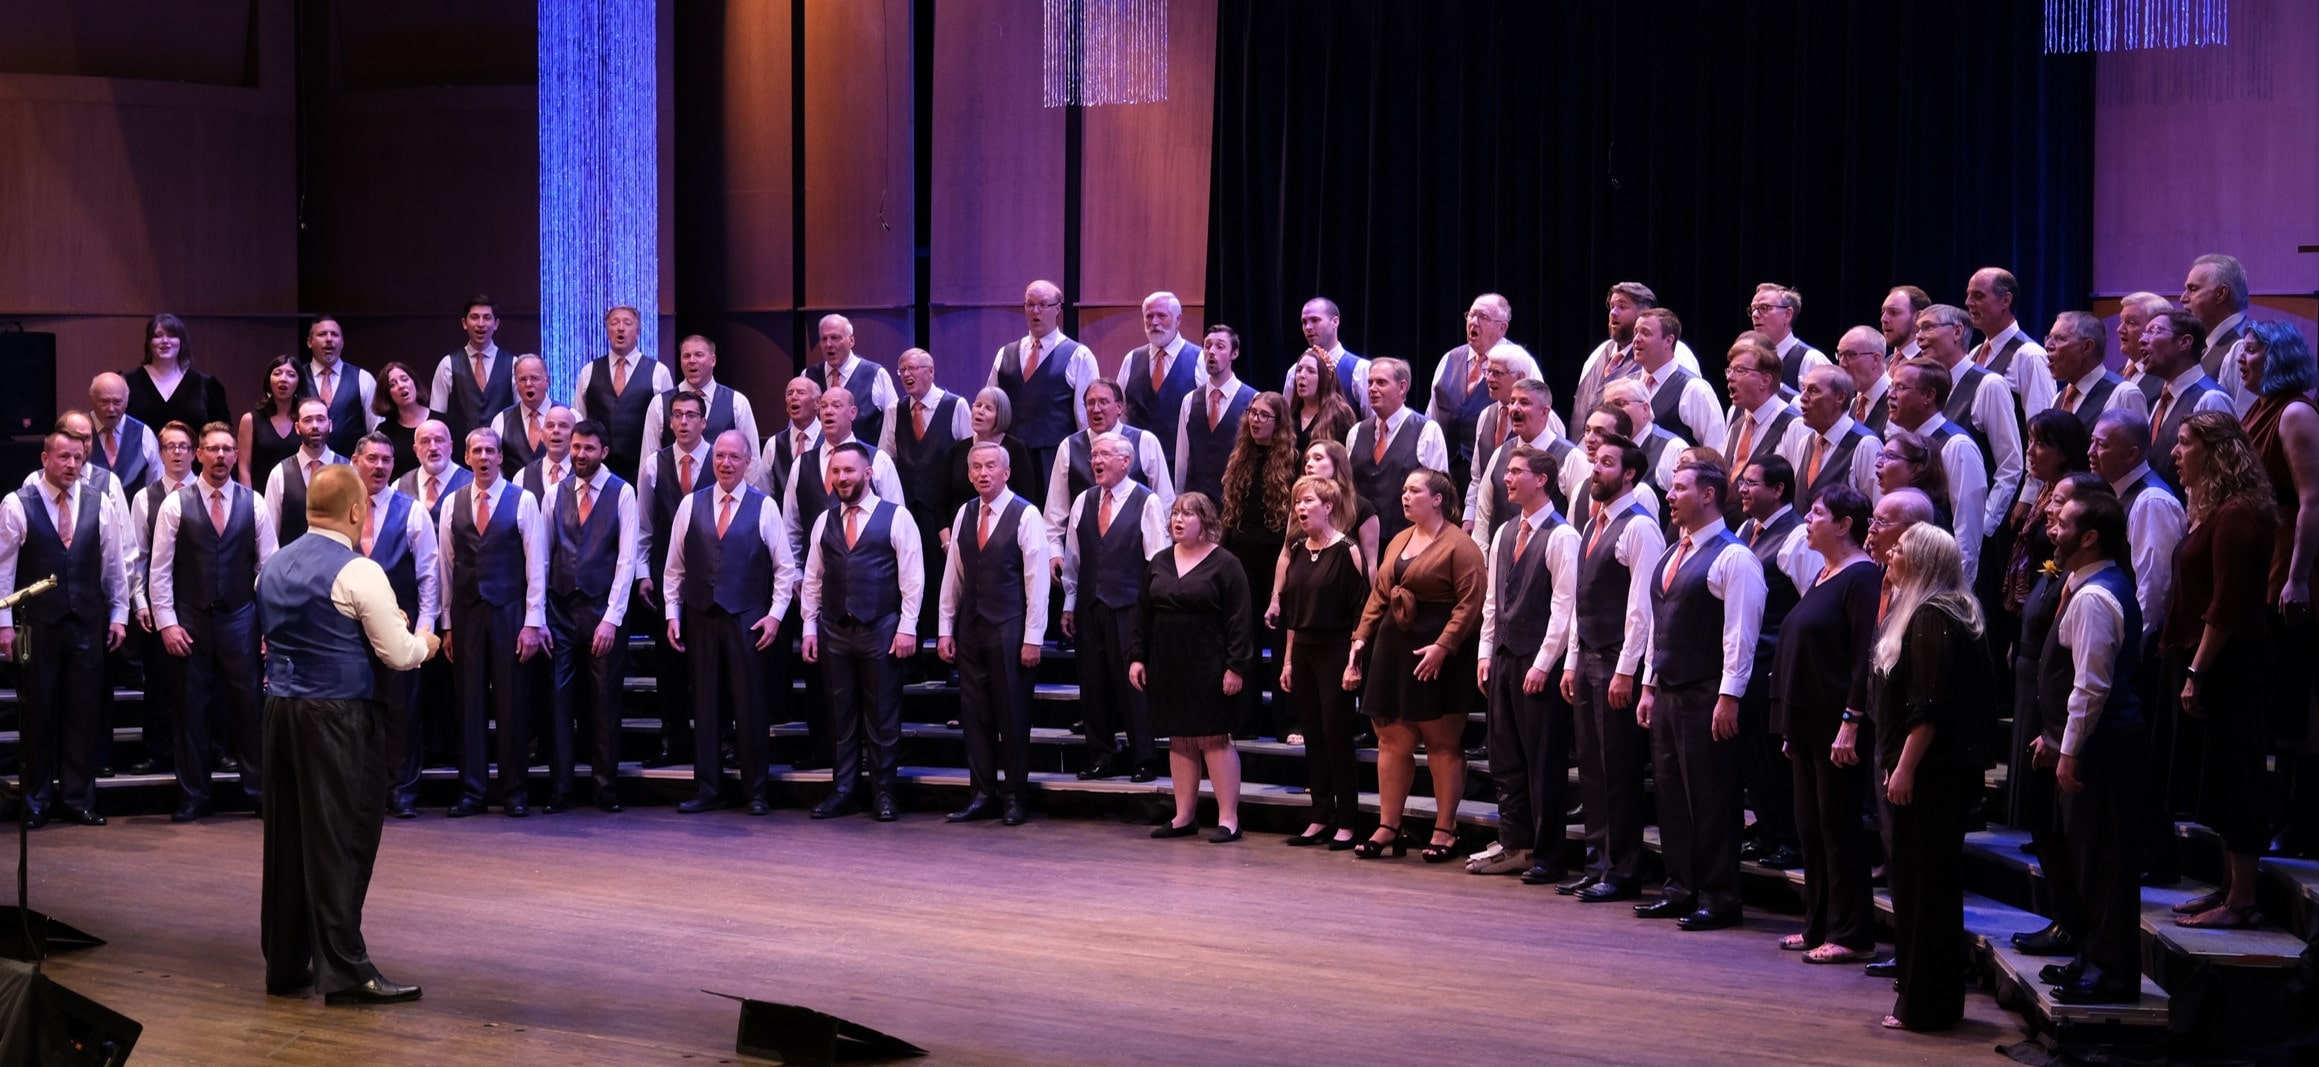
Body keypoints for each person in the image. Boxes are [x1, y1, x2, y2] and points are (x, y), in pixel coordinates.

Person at [256, 464, 438, 1005]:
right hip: (337, 718)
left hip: (280, 713)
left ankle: (286, 965)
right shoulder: (359, 570)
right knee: (342, 841)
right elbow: (399, 655)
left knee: (288, 840)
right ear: (357, 511)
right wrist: (423, 639)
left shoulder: (272, 565)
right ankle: (345, 970)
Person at [1634, 461, 1766, 931]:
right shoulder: (1674, 552)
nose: (1670, 495)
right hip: (1670, 691)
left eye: (1680, 488)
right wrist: (1648, 685)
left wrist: (1729, 696)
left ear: (1709, 494)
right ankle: (1680, 887)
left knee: (1712, 797)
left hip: (1709, 693)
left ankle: (1719, 895)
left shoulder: (1735, 558)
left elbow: (1740, 635)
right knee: (1671, 794)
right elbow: (1657, 625)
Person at [1870, 524, 1990, 1031]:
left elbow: (1928, 709)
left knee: (1923, 889)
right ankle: (1930, 999)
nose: (1890, 554)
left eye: (1900, 549)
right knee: (1927, 887)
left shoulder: (1931, 617)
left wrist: (1903, 769)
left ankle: (1924, 1005)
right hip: (1939, 774)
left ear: (1920, 562)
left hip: (1929, 776)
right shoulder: (1944, 612)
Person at [2032, 490, 2148, 1005]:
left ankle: (2114, 973)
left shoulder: (2096, 597)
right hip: (2090, 745)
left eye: (2065, 522)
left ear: (2090, 536)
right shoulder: (2084, 585)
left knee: (2104, 862)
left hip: (2104, 752)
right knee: (2089, 859)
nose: (2053, 525)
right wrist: (2054, 736)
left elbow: (2092, 686)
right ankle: (2094, 958)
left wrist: (2069, 750)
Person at [2165, 412, 2279, 929]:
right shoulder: (2218, 510)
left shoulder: (2236, 515)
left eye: (2185, 443)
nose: (2174, 452)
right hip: (2220, 663)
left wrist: (2196, 671)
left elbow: (2226, 606)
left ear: (2215, 451)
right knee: (2221, 777)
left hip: (2233, 665)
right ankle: (2231, 887)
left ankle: (2243, 900)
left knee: (2239, 778)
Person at [1344, 469, 1487, 862]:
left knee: (1441, 741)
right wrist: (1360, 640)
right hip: (1394, 649)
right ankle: (1390, 825)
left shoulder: (1460, 545)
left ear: (1437, 498)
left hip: (1438, 651)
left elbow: (1471, 603)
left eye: (1414, 490)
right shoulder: (1400, 540)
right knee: (1392, 739)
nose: (1405, 496)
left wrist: (1445, 645)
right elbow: (1379, 594)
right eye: (1403, 489)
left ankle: (1446, 828)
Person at [0, 428, 131, 827]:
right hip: (38, 623)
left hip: (86, 622)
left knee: (83, 714)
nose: (72, 465)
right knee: (38, 712)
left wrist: (120, 613)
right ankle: (36, 801)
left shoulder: (100, 502)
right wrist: (3, 624)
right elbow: (3, 571)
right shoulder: (17, 503)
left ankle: (78, 799)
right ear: (45, 459)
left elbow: (114, 566)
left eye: (78, 458)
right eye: (63, 457)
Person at [1773, 484, 1881, 964]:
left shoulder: (1862, 579)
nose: (1807, 521)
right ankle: (1817, 923)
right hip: (1808, 725)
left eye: (1817, 514)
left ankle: (1852, 931)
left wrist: (1851, 721)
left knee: (1838, 828)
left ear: (1844, 524)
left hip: (1838, 725)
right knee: (1810, 827)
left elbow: (1863, 658)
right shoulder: (1824, 573)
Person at [664, 430, 798, 815]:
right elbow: (674, 569)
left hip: (747, 619)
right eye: (719, 456)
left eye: (733, 457)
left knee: (750, 706)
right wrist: (673, 614)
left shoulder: (765, 506)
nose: (724, 463)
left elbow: (784, 568)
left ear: (747, 463)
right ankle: (708, 788)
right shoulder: (691, 505)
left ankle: (756, 792)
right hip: (702, 617)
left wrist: (774, 616)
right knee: (704, 706)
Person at [150, 421, 279, 820]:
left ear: (235, 456)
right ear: (198, 455)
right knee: (190, 711)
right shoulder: (175, 504)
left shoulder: (253, 502)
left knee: (250, 708)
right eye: (212, 449)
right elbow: (159, 571)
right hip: (189, 620)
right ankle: (194, 796)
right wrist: (167, 623)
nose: (221, 456)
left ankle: (259, 792)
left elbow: (269, 568)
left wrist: (269, 628)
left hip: (241, 618)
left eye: (227, 449)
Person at [1560, 435, 1667, 900]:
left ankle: (1623, 869)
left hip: (1614, 659)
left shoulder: (1639, 527)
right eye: (1593, 461)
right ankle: (1597, 861)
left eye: (1606, 463)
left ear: (1628, 474)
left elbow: (1641, 608)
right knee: (1592, 767)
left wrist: (1627, 670)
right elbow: (1579, 601)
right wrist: (1570, 660)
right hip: (1587, 658)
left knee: (1618, 767)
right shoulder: (1591, 525)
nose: (1595, 470)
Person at [1467, 446, 1579, 879]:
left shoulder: (1562, 536)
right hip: (1506, 658)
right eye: (1507, 472)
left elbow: (1565, 606)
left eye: (1516, 472)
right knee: (1505, 757)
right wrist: (1484, 652)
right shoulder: (1505, 532)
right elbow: (1495, 600)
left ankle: (1547, 854)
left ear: (1542, 480)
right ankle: (1515, 842)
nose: (1507, 479)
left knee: (1543, 763)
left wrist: (1545, 662)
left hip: (1539, 663)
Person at [801, 442, 924, 822]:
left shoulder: (897, 516)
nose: (841, 478)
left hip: (881, 629)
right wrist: (809, 626)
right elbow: (812, 579)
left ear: (867, 473)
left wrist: (907, 627)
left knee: (883, 717)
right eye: (836, 472)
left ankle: (884, 792)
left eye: (849, 471)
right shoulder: (825, 520)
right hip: (835, 629)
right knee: (841, 715)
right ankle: (844, 790)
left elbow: (913, 578)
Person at [939, 441, 1052, 826]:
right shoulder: (964, 514)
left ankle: (1014, 797)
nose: (983, 473)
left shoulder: (1026, 514)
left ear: (1006, 472)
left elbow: (1037, 581)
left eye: (991, 466)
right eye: (976, 467)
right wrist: (944, 628)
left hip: (1009, 628)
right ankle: (981, 794)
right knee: (975, 717)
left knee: (1012, 716)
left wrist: (1033, 637)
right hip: (971, 628)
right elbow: (953, 574)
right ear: (969, 474)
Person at [1132, 492, 1256, 842]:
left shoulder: (1226, 563)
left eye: (1187, 514)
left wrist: (1236, 666)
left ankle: (1229, 818)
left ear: (1206, 521)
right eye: (1174, 513)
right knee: (1180, 739)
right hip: (1168, 664)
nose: (1178, 520)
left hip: (1210, 663)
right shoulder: (1158, 561)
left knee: (1213, 738)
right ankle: (1184, 816)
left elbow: (1240, 619)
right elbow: (1143, 614)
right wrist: (1137, 657)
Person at [2238, 320, 2319, 858]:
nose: (2242, 360)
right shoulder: (2260, 407)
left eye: (2251, 352)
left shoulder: (2294, 413)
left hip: (2289, 559)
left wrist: (2296, 577)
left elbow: (2313, 499)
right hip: (2265, 553)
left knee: (2297, 693)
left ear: (2277, 357)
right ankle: (2278, 811)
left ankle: (2301, 817)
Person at [438, 427, 547, 818]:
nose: (483, 458)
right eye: (476, 451)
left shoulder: (523, 500)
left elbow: (536, 565)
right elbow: (446, 567)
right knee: (469, 702)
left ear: (501, 457)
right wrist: (447, 623)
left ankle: (514, 790)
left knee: (512, 701)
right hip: (467, 612)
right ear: (466, 458)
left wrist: (533, 622)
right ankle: (472, 790)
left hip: (509, 611)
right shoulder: (452, 503)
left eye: (490, 451)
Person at [538, 419, 637, 814]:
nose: (579, 454)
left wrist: (612, 617)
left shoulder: (622, 493)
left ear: (604, 452)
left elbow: (627, 559)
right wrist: (540, 614)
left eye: (588, 449)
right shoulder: (553, 493)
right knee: (559, 701)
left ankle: (605, 786)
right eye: (576, 447)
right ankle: (560, 787)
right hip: (561, 610)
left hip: (602, 610)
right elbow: (543, 556)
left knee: (604, 701)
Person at [1062, 434, 1168, 783]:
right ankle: (1102, 755)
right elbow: (1074, 559)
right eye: (1094, 454)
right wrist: (1069, 603)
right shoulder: (1083, 501)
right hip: (1091, 605)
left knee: (1132, 686)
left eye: (1105, 454)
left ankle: (1144, 757)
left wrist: (1153, 614)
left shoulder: (1146, 501)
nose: (1096, 460)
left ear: (1126, 461)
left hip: (1129, 607)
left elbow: (1156, 562)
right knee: (1093, 685)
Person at [1276, 475, 1371, 850]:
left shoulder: (1347, 550)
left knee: (1336, 737)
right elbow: (1292, 614)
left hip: (1335, 651)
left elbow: (1358, 611)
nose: (1300, 508)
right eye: (1297, 502)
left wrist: (1354, 660)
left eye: (1308, 501)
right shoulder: (1298, 549)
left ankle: (1347, 821)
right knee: (1313, 736)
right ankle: (1319, 816)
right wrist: (1286, 661)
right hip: (1304, 650)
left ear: (1328, 507)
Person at [348, 432, 439, 820]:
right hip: (349, 631)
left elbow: (429, 576)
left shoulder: (412, 510)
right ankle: (359, 791)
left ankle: (402, 790)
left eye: (387, 459)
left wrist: (425, 627)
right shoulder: (342, 510)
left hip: (399, 630)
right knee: (354, 714)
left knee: (401, 711)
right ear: (356, 461)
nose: (381, 466)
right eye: (372, 458)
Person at [1732, 457, 1814, 871]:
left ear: (1779, 489)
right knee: (1752, 754)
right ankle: (1767, 828)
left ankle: (1790, 837)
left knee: (1774, 756)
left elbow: (1809, 602)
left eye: (1751, 483)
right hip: (1748, 661)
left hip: (1775, 663)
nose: (1742, 489)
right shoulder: (1747, 530)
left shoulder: (1797, 535)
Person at [634, 392, 712, 767]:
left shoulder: (722, 457)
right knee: (669, 666)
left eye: (691, 415)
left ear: (703, 421)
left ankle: (719, 740)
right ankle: (674, 739)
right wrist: (642, 573)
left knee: (714, 665)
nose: (683, 422)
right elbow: (644, 524)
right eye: (677, 415)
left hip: (714, 579)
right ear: (669, 422)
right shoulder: (654, 464)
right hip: (668, 580)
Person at [1219, 392, 1296, 738]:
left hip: (1278, 560)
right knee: (1242, 637)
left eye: (1264, 416)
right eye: (1252, 413)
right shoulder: (1240, 457)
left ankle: (1287, 721)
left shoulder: (1292, 460)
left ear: (1278, 423)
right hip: (1241, 559)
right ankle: (1242, 720)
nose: (1255, 420)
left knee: (1281, 640)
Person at [125, 421, 198, 776]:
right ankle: (157, 751)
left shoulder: (210, 491)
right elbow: (136, 555)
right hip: (158, 602)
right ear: (161, 452)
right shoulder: (145, 497)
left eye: (184, 446)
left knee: (206, 683)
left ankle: (211, 750)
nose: (177, 453)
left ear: (194, 452)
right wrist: (140, 603)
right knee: (158, 682)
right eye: (170, 446)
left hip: (201, 601)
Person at [883, 349, 970, 640]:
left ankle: (949, 644)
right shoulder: (895, 410)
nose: (907, 375)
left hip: (944, 510)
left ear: (930, 371)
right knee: (910, 577)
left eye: (913, 368)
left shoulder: (955, 406)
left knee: (946, 578)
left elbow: (969, 456)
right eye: (902, 370)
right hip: (907, 509)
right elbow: (886, 459)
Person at [1042, 378, 1175, 560]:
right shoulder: (1068, 446)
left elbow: (1165, 501)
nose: (1096, 409)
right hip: (1085, 554)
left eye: (1103, 402)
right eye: (1090, 403)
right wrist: (1054, 553)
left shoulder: (1145, 442)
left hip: (1135, 555)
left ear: (1119, 407)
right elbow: (1055, 510)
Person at [990, 279, 1098, 494]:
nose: (1035, 311)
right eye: (1030, 304)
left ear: (1057, 308)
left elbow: (1085, 417)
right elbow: (992, 406)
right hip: (1010, 457)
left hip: (1054, 458)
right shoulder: (1006, 353)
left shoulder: (1078, 355)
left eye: (1043, 305)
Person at [1431, 294, 1538, 503]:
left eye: (1482, 317)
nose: (1473, 322)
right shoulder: (1450, 359)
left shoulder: (1521, 363)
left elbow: (1537, 415)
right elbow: (1432, 417)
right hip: (1448, 475)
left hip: (1500, 480)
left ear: (1502, 328)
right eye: (1471, 315)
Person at [1347, 357, 1450, 547]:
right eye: (1370, 382)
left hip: (1407, 543)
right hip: (1359, 541)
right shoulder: (1356, 432)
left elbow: (1440, 493)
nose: (1372, 388)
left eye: (1381, 382)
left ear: (1402, 387)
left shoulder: (1427, 430)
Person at [1571, 282, 1699, 429]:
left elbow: (1688, 398)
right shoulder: (1599, 353)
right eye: (1612, 307)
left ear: (1645, 311)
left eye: (1622, 306)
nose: (1613, 312)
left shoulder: (1675, 352)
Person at [570, 305, 673, 484]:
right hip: (597, 472)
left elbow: (669, 425)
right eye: (614, 323)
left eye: (627, 323)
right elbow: (579, 419)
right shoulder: (589, 371)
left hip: (642, 472)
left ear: (638, 331)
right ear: (607, 331)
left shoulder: (658, 372)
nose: (620, 328)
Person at [1471, 379, 1577, 538]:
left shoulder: (1571, 457)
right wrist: (1482, 555)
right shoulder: (1500, 453)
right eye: (1512, 401)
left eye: (1524, 402)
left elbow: (1577, 517)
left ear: (1544, 412)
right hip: (1500, 555)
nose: (1514, 408)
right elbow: (1483, 513)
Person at [2143, 308, 2235, 487]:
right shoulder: (2163, 399)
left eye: (2153, 331)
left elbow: (2222, 476)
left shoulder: (2211, 399)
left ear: (2184, 342)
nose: (2142, 339)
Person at [640, 334, 762, 462]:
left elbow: (752, 460)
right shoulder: (659, 403)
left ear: (713, 360)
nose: (692, 360)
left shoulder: (737, 403)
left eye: (698, 355)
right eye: (686, 356)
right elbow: (648, 460)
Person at [943, 388, 1041, 541]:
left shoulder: (1015, 449)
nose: (979, 411)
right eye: (977, 405)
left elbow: (1028, 498)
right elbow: (941, 503)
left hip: (1007, 539)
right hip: (960, 539)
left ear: (1000, 416)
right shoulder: (958, 449)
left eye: (988, 408)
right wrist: (947, 543)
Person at [1174, 323, 1257, 504]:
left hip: (1234, 503)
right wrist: (1179, 499)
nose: (1211, 351)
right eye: (1207, 345)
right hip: (1196, 504)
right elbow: (1182, 458)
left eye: (1220, 346)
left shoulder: (1253, 400)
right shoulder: (1190, 400)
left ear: (1234, 354)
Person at [1779, 366, 1881, 506]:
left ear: (1840, 397)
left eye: (1813, 391)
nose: (1802, 397)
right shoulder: (1805, 442)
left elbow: (1876, 509)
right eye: (1803, 389)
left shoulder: (1866, 445)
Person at [124, 313, 233, 442]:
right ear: (148, 342)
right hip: (141, 462)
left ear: (181, 341)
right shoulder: (127, 382)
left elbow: (222, 434)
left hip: (194, 462)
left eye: (171, 335)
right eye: (157, 336)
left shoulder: (206, 384)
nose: (165, 341)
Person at [427, 294, 516, 449]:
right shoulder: (447, 364)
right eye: (474, 317)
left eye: (487, 318)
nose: (481, 324)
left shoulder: (514, 364)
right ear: (464, 323)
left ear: (496, 324)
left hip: (501, 457)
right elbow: (437, 418)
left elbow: (519, 417)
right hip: (459, 457)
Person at [1121, 291, 1202, 461]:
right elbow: (1120, 411)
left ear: (1178, 319)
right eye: (1149, 316)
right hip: (1136, 463)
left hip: (1180, 463)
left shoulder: (1199, 359)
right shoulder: (1131, 359)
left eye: (1161, 316)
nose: (1154, 322)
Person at [1632, 309, 1727, 455]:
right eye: (1635, 332)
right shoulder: (1628, 384)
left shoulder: (1694, 389)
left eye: (1645, 333)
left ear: (1668, 341)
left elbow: (1716, 451)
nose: (1636, 339)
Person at [263, 397, 350, 544]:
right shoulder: (279, 474)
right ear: (297, 427)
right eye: (308, 420)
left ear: (330, 425)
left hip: (338, 563)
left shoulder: (350, 470)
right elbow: (270, 536)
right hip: (293, 564)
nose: (315, 426)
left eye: (320, 419)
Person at [806, 315, 900, 447]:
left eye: (835, 338)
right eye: (823, 339)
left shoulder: (876, 374)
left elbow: (894, 424)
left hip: (866, 462)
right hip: (822, 463)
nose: (828, 344)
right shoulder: (808, 377)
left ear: (851, 341)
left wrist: (881, 460)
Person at [2184, 253, 2256, 409]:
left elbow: (2245, 423)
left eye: (2193, 289)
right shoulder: (2205, 344)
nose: (2183, 298)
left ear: (2221, 294)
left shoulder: (2244, 347)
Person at [1282, 297, 1372, 417]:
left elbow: (1373, 425)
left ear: (1335, 322)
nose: (1308, 327)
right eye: (1304, 322)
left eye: (1315, 320)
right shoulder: (1295, 372)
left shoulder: (1360, 369)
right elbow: (1286, 422)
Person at [303, 315, 378, 458]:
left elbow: (375, 431)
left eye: (335, 334)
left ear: (342, 342)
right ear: (309, 342)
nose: (329, 339)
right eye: (322, 334)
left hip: (350, 469)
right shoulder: (297, 378)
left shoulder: (363, 378)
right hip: (306, 467)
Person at [1722, 336, 1797, 475]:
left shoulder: (1793, 426)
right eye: (1729, 370)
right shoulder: (1737, 424)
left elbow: (1797, 487)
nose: (1730, 377)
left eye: (1740, 370)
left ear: (1765, 380)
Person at [240, 353, 312, 488]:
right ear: (269, 381)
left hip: (298, 495)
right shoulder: (250, 420)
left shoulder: (306, 420)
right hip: (261, 497)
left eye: (291, 375)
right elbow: (244, 468)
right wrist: (250, 502)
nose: (283, 379)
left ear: (299, 382)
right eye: (277, 373)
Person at [1748, 283, 1831, 392]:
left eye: (1764, 308)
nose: (1755, 315)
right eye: (1753, 309)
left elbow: (1830, 406)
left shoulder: (1811, 360)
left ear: (1787, 315)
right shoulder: (1752, 361)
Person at [87, 372, 160, 495]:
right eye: (104, 402)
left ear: (126, 402)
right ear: (93, 401)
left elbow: (155, 485)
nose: (111, 409)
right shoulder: (79, 431)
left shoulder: (143, 434)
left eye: (117, 402)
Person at [1284, 348, 1359, 459]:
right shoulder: (1292, 414)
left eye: (1311, 371)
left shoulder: (1339, 415)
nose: (1302, 375)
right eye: (1299, 370)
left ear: (1324, 378)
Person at [489, 354, 556, 475]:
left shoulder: (571, 417)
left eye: (534, 378)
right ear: (516, 383)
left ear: (548, 381)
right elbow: (495, 468)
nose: (528, 384)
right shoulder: (501, 420)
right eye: (523, 379)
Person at [761, 376, 824, 506]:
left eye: (801, 392)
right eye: (790, 393)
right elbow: (764, 493)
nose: (794, 397)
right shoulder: (773, 445)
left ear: (817, 403)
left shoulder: (830, 440)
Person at [371, 362, 435, 477]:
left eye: (404, 379)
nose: (401, 386)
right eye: (393, 385)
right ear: (387, 394)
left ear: (414, 382)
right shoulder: (384, 432)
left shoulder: (441, 422)